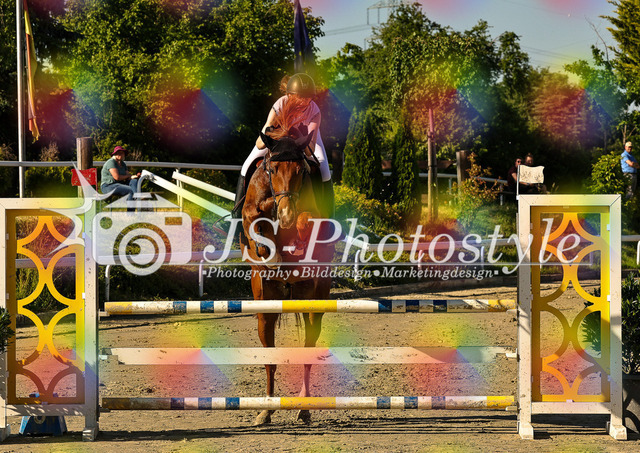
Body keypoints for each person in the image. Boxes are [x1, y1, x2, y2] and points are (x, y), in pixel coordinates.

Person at [233, 73, 334, 218]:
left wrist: (300, 135)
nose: (305, 101)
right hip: (279, 139)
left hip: (306, 140)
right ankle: (236, 215)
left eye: (308, 97)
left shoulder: (314, 111)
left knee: (324, 168)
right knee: (247, 165)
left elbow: (309, 151)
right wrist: (269, 135)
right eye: (301, 97)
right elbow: (259, 144)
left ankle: (329, 218)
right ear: (289, 95)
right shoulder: (280, 104)